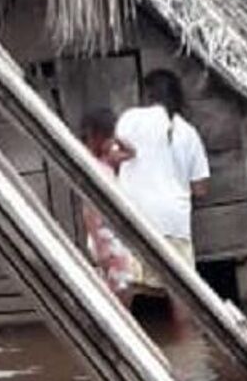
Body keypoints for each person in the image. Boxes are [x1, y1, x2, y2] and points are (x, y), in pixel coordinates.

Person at [117, 70, 210, 319]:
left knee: (125, 285)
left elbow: (113, 156)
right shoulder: (188, 132)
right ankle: (188, 351)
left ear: (146, 94)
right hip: (173, 220)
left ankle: (122, 343)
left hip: (133, 215)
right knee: (179, 291)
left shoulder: (130, 119)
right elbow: (201, 189)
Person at [77, 107, 137, 304]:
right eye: (107, 136)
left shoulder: (106, 160)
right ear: (96, 136)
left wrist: (115, 138)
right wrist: (100, 244)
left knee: (123, 285)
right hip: (104, 237)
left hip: (112, 235)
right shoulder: (91, 165)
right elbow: (89, 209)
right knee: (119, 290)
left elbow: (131, 152)